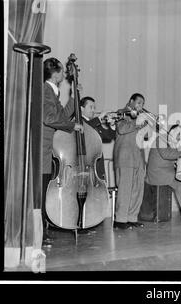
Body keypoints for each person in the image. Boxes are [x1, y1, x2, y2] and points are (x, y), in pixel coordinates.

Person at [42, 57, 83, 244]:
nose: (64, 75)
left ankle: (43, 231)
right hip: (44, 148)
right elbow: (50, 119)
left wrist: (74, 97)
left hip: (51, 148)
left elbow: (62, 116)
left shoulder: (52, 92)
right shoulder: (46, 90)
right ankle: (40, 234)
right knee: (42, 190)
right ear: (57, 73)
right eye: (62, 72)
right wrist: (72, 126)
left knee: (46, 189)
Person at [113, 93, 148, 230]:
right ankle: (120, 220)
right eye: (139, 102)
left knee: (137, 189)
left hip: (138, 156)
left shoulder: (140, 117)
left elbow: (144, 138)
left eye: (143, 104)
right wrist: (136, 122)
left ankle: (132, 218)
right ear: (131, 101)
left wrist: (145, 126)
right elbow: (122, 129)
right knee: (125, 189)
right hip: (125, 156)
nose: (141, 106)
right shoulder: (121, 113)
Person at [145, 124, 181, 221]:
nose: (179, 138)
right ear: (172, 132)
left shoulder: (171, 143)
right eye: (178, 135)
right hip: (157, 172)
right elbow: (166, 154)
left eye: (180, 136)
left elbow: (173, 159)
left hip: (166, 171)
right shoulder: (161, 139)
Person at [80, 96, 116, 181]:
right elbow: (85, 129)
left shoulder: (94, 123)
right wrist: (99, 118)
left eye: (94, 108)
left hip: (97, 163)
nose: (93, 110)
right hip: (87, 163)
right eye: (91, 107)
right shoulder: (79, 121)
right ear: (82, 108)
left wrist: (112, 125)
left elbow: (108, 136)